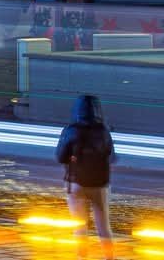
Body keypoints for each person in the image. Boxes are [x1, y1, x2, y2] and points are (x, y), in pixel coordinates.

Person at [55, 94, 115, 250]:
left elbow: (60, 157)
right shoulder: (103, 131)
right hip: (100, 184)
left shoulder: (71, 131)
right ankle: (109, 257)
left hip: (76, 183)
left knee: (80, 227)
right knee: (103, 226)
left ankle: (82, 256)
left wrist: (73, 157)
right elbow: (112, 156)